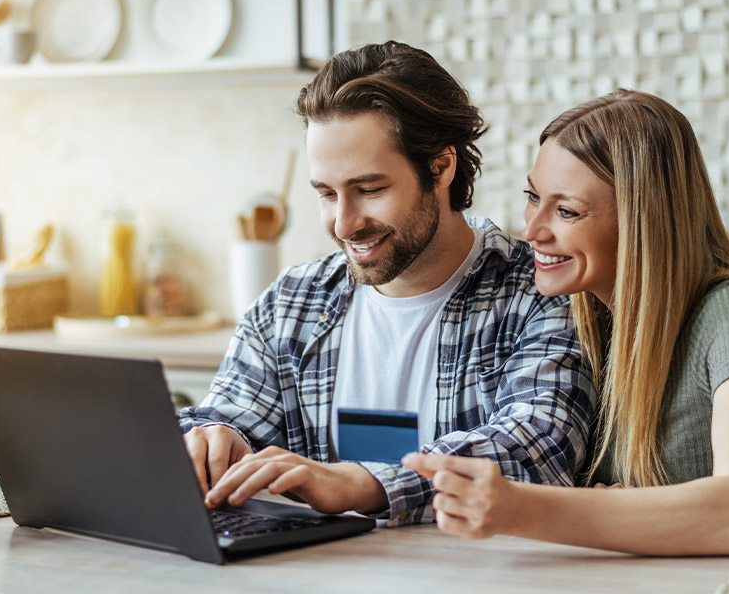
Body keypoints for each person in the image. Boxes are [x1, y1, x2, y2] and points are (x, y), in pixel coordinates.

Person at [178, 41, 595, 525]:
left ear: (441, 166)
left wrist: (365, 482)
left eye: (370, 190)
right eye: (327, 194)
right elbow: (230, 415)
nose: (344, 223)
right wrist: (208, 437)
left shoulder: (540, 291)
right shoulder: (291, 303)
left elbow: (538, 446)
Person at [404, 88, 729, 555]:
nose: (531, 231)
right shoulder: (587, 318)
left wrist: (518, 508)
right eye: (533, 197)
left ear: (642, 219)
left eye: (567, 211)